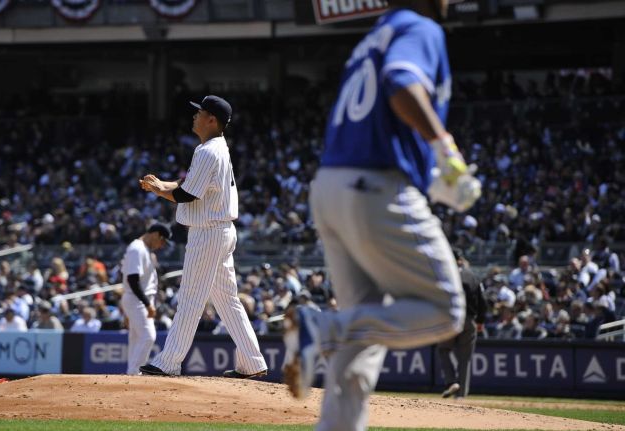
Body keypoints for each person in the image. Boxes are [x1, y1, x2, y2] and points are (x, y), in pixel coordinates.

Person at [280, 1, 481, 430]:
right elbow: (401, 82)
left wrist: (430, 174)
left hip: (332, 185)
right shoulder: (420, 27)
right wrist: (445, 147)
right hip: (374, 187)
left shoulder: (373, 35)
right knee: (446, 309)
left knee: (360, 347)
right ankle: (322, 328)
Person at [138, 95, 267, 379]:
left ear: (212, 120)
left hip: (208, 233)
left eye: (200, 113)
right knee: (227, 299)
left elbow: (186, 194)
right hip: (219, 231)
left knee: (190, 299)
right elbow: (188, 185)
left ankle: (169, 362)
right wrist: (162, 184)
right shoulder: (215, 148)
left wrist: (161, 191)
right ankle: (253, 361)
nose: (194, 116)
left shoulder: (208, 151)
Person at [120, 224, 171, 375]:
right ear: (155, 234)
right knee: (148, 336)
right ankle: (135, 372)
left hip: (135, 300)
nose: (162, 245)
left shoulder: (144, 250)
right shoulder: (137, 248)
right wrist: (148, 304)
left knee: (136, 338)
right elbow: (132, 280)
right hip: (137, 299)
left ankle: (131, 372)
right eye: (162, 241)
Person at [437, 248, 487, 399]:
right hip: (469, 319)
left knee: (443, 350)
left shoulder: (444, 274)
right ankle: (460, 396)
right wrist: (480, 321)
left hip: (450, 319)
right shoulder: (473, 276)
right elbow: (482, 302)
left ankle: (451, 381)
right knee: (465, 359)